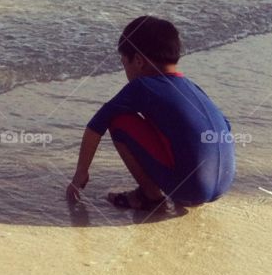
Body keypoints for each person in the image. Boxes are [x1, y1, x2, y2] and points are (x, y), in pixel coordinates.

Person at [66, 16, 236, 211]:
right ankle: (187, 191)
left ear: (138, 61)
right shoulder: (193, 87)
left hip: (190, 189)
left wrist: (81, 173)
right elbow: (225, 126)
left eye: (124, 63)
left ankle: (150, 197)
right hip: (223, 184)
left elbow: (95, 126)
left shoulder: (142, 86)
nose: (125, 70)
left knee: (118, 121)